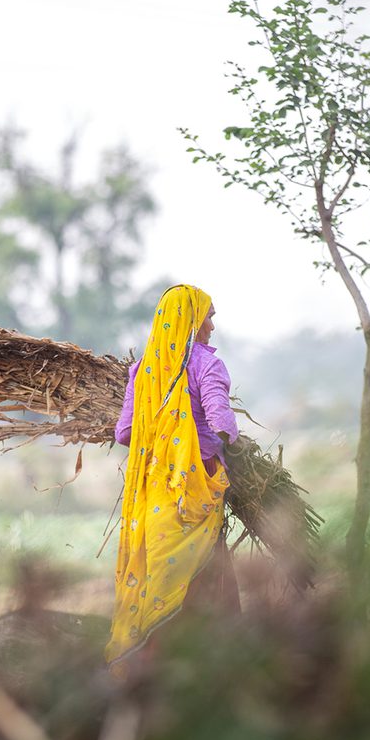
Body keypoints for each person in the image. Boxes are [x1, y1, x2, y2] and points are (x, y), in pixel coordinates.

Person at [106, 283, 240, 666]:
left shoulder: (143, 369)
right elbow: (221, 423)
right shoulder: (207, 364)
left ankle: (147, 660)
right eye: (209, 316)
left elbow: (124, 432)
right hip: (196, 484)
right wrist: (233, 442)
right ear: (191, 319)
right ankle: (200, 660)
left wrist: (163, 435)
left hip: (154, 488)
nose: (212, 326)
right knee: (197, 571)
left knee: (157, 571)